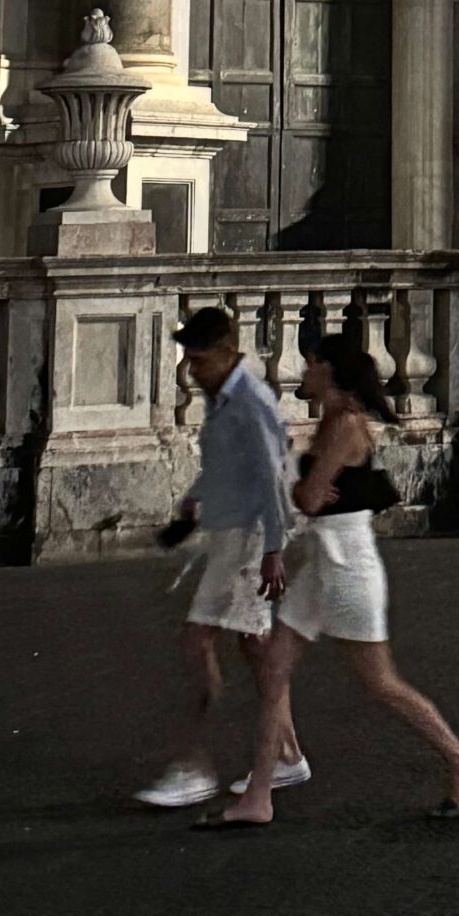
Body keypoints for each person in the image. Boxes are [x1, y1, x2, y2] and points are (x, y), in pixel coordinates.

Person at [210, 335, 459, 830]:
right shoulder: (332, 424)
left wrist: (289, 480)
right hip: (325, 562)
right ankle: (260, 794)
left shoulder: (345, 426)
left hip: (348, 567)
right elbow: (310, 495)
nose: (304, 371)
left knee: (381, 683)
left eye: (312, 364)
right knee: (273, 667)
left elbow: (310, 499)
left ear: (328, 370)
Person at [135, 306, 307, 809]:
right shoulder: (221, 397)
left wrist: (274, 550)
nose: (192, 369)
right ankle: (287, 754)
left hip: (251, 539)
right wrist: (195, 497)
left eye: (201, 359)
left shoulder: (252, 402)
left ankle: (193, 765)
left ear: (230, 354)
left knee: (197, 641)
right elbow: (228, 466)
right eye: (188, 358)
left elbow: (274, 478)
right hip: (232, 532)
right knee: (255, 648)